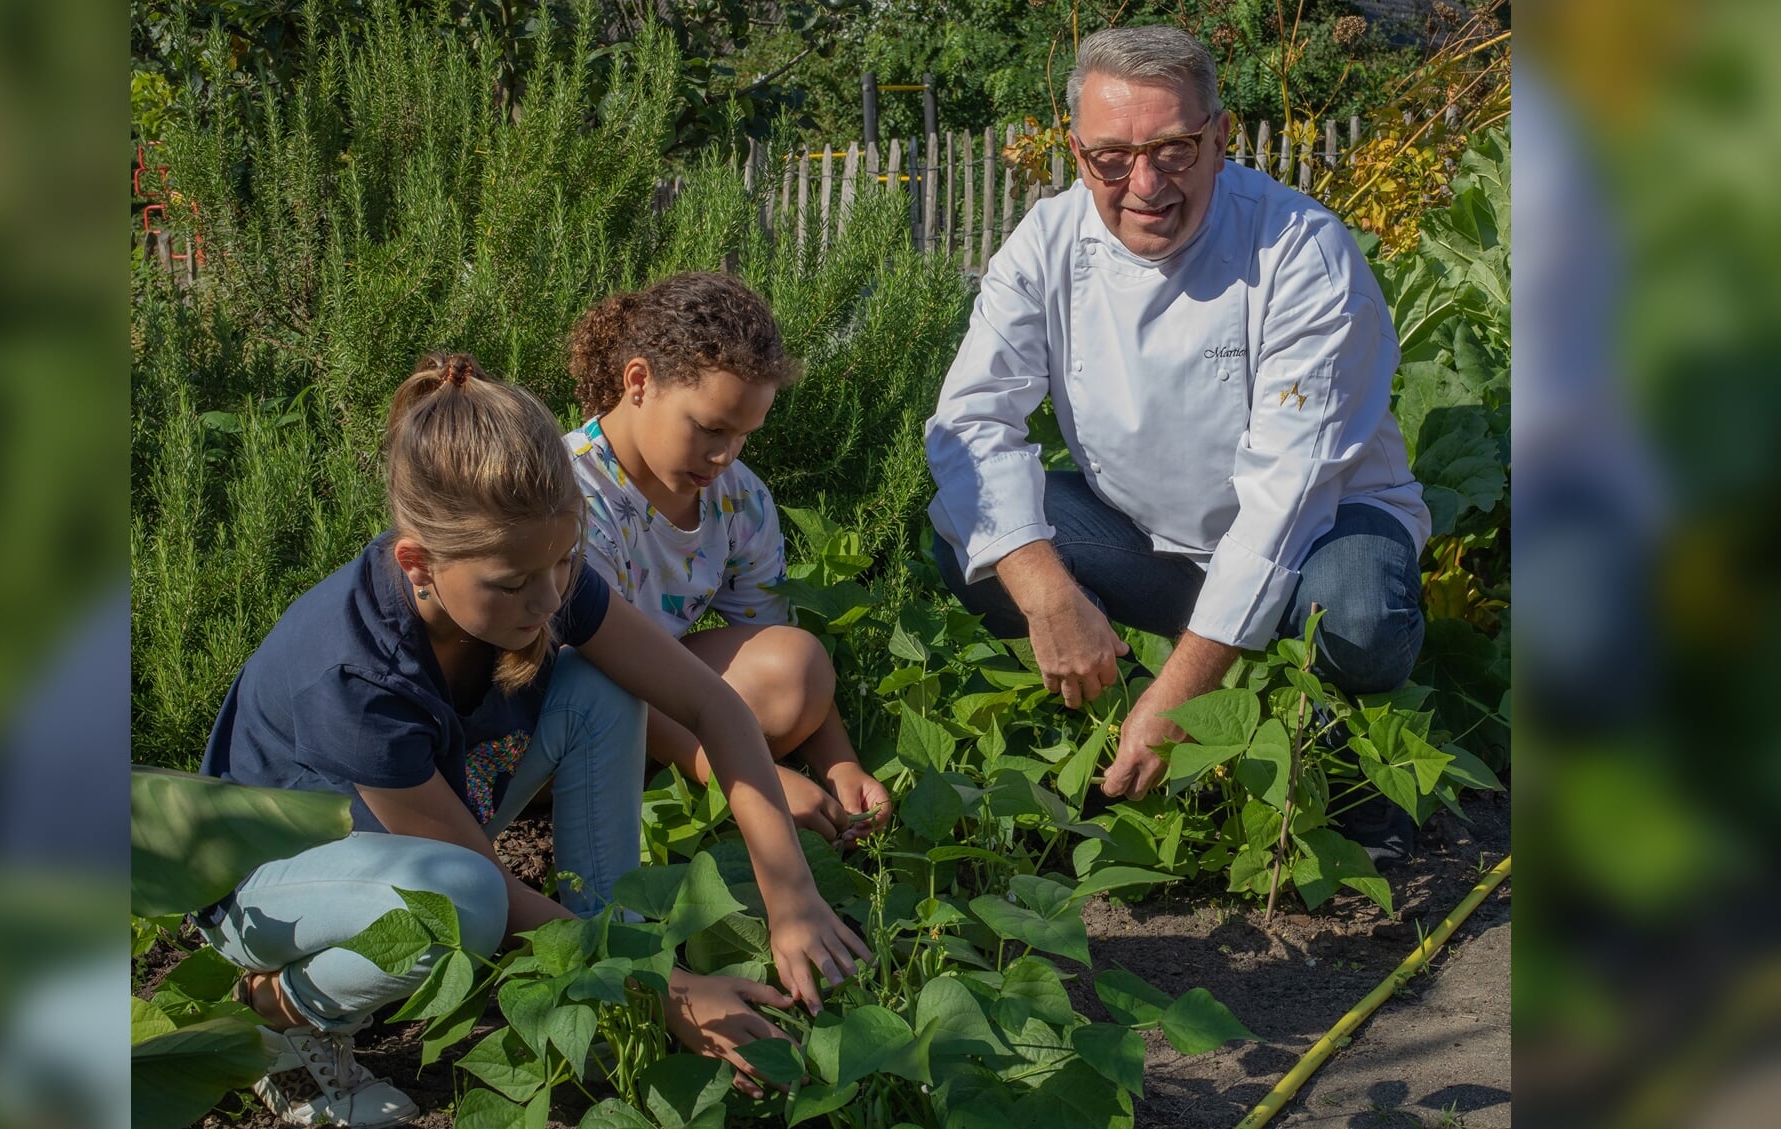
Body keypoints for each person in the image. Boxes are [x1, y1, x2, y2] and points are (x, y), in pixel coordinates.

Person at [196, 354, 868, 1126]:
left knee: (604, 686)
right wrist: (670, 990)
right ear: (418, 561)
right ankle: (280, 1013)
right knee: (467, 900)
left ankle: (614, 953)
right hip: (274, 887)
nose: (547, 598)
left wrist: (794, 897)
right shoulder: (353, 674)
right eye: (514, 584)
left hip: (413, 838)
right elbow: (479, 881)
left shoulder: (536, 572)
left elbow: (711, 704)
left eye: (563, 562)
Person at [924, 26, 1430, 820]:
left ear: (1220, 138)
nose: (1144, 182)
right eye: (1111, 158)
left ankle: (1340, 756)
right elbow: (970, 423)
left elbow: (1284, 504)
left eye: (1173, 150)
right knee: (974, 544)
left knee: (1361, 619)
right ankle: (1111, 713)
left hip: (1320, 535)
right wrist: (1048, 591)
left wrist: (1183, 695)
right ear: (1075, 150)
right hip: (1152, 539)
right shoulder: (1047, 244)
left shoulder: (1301, 252)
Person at [565, 272, 891, 849]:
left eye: (743, 435)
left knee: (799, 666)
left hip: (659, 703)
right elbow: (595, 677)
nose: (723, 455)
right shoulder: (569, 500)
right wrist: (753, 781)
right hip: (563, 712)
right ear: (639, 381)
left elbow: (768, 634)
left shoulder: (737, 496)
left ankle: (677, 776)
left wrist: (838, 763)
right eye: (710, 428)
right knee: (602, 690)